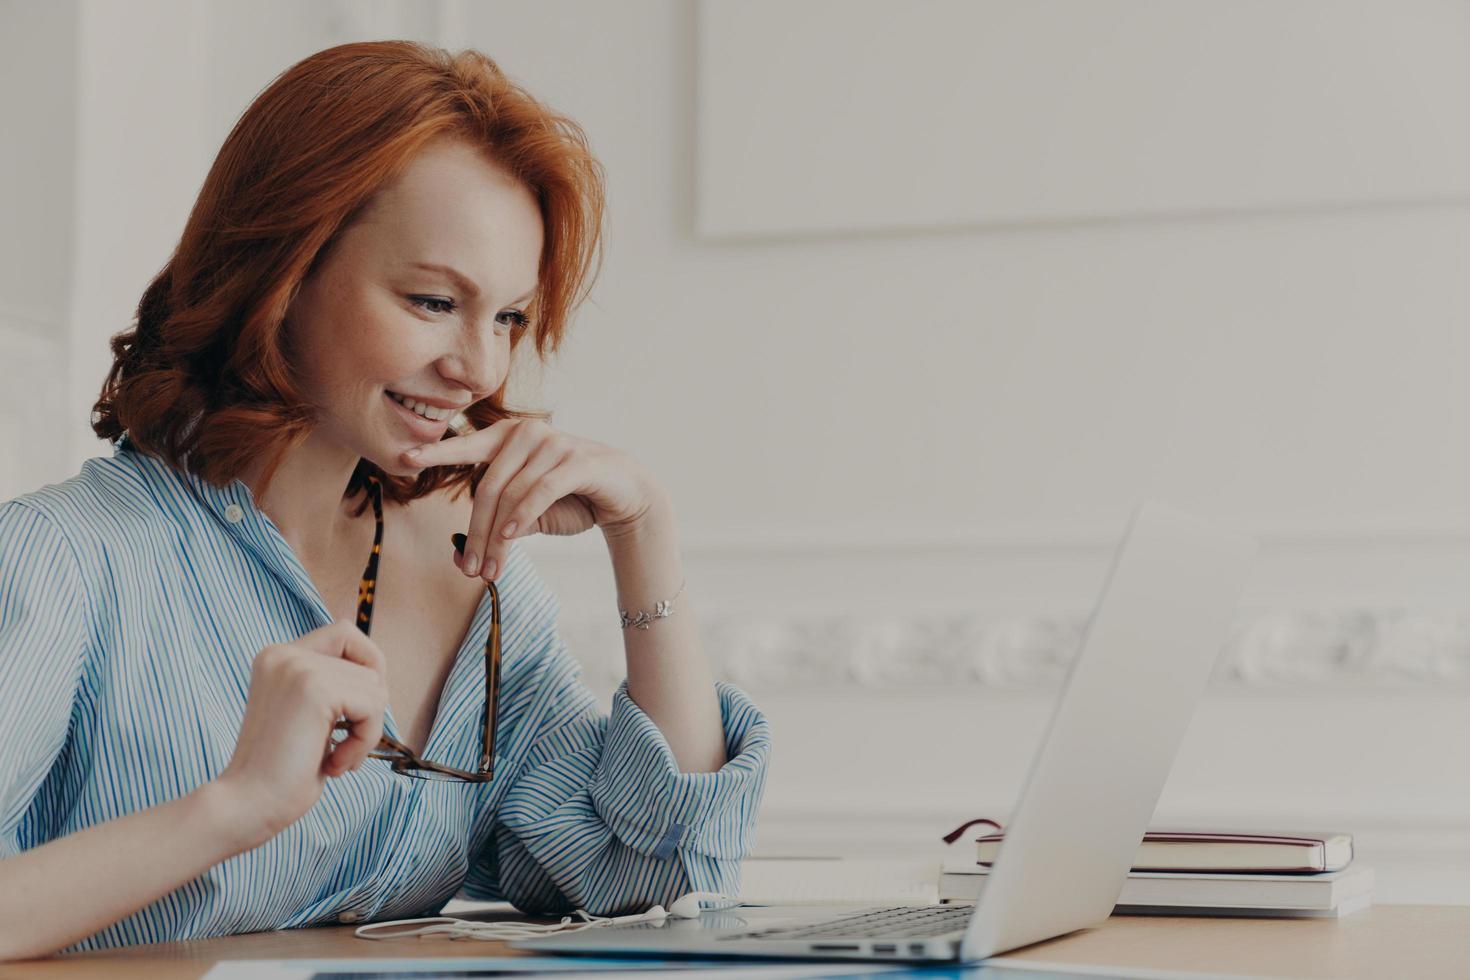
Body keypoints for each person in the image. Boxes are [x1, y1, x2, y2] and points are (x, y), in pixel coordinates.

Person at [0, 40, 769, 959]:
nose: (480, 366)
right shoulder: (63, 558)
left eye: (509, 318)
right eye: (433, 301)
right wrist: (235, 806)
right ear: (283, 271)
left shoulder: (469, 578)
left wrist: (643, 535)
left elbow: (660, 871)